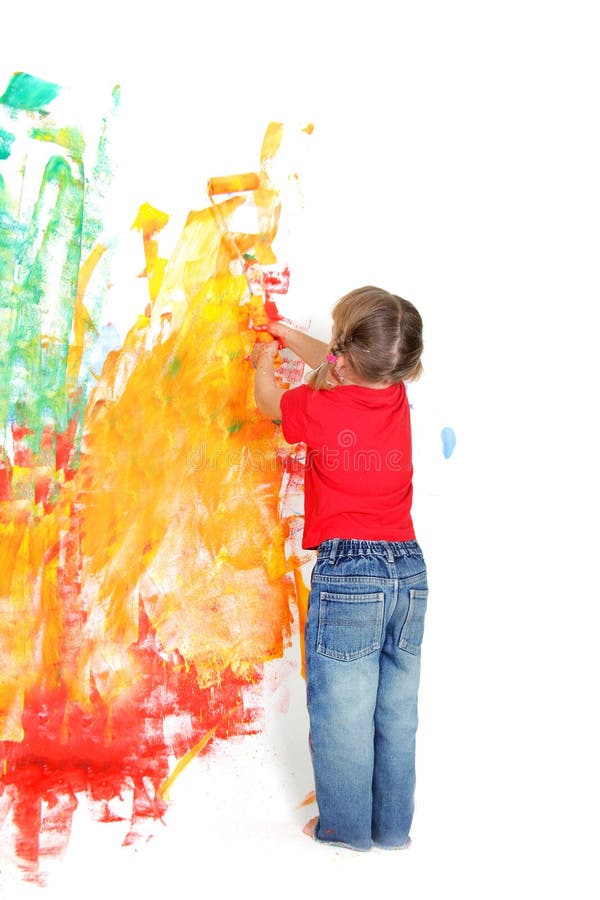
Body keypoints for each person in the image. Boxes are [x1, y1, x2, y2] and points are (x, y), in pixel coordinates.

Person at [251, 285, 428, 852]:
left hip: (351, 573)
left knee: (343, 714)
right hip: (409, 570)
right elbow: (334, 360)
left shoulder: (320, 408)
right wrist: (287, 336)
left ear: (345, 352)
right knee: (395, 713)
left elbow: (271, 405)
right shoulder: (395, 392)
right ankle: (391, 829)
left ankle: (345, 830)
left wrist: (262, 364)